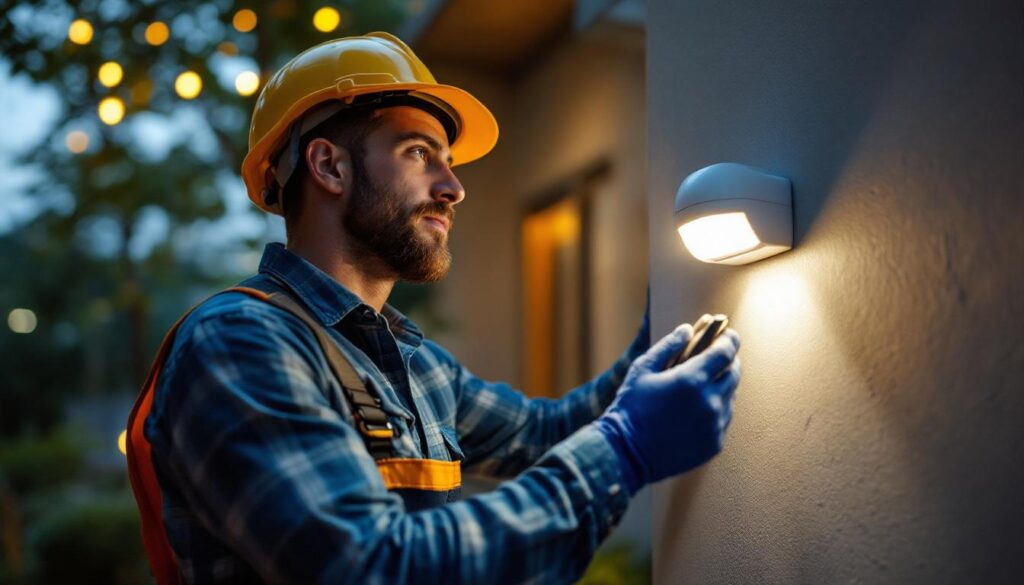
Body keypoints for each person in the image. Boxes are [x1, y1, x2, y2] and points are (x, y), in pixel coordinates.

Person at [126, 32, 742, 584]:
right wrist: (625, 448)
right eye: (420, 153)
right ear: (328, 166)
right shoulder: (240, 342)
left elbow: (545, 433)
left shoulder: (415, 364)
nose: (453, 187)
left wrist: (659, 331)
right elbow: (371, 567)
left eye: (447, 161)